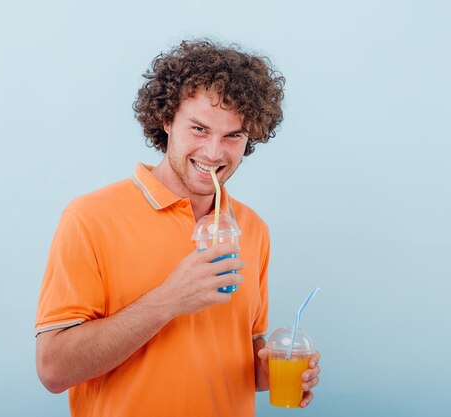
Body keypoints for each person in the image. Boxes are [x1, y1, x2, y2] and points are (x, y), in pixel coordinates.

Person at [35, 39, 321, 417]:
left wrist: (269, 370)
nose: (214, 153)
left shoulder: (252, 228)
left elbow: (238, 352)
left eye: (233, 135)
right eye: (199, 129)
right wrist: (168, 300)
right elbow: (54, 370)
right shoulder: (89, 218)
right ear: (166, 119)